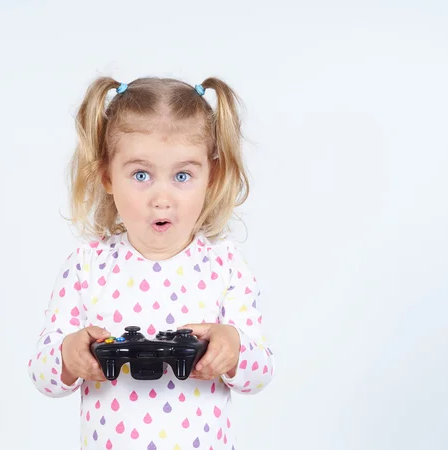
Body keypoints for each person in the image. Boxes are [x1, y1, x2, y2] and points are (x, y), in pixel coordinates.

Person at [28, 76, 275, 449]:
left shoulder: (225, 266)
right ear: (108, 175)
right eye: (141, 175)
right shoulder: (86, 266)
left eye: (182, 176)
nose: (162, 198)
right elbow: (41, 374)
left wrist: (233, 346)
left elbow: (261, 373)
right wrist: (68, 355)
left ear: (213, 176)